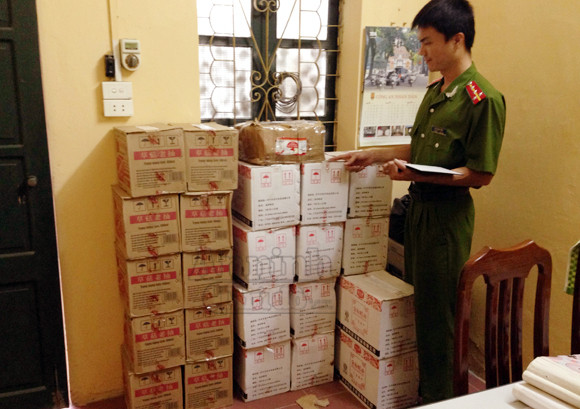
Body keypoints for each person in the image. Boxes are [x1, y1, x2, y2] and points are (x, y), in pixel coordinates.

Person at [330, 0, 506, 403]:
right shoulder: (437, 91)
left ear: (456, 39)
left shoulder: (482, 99)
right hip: (419, 211)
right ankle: (423, 391)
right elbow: (420, 150)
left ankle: (439, 398)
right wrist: (370, 155)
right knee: (419, 306)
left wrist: (417, 175)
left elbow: (481, 174)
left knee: (438, 318)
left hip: (446, 219)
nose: (421, 52)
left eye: (427, 42)